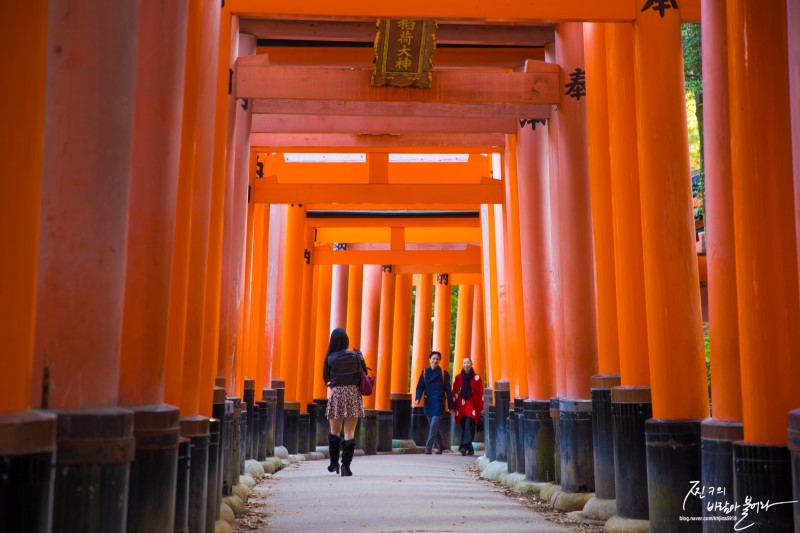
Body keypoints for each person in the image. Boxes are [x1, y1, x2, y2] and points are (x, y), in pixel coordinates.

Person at [322, 327, 366, 476]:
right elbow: (364, 374)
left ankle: (334, 463)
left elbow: (326, 377)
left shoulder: (330, 358)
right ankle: (346, 466)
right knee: (350, 431)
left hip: (337, 394)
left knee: (334, 431)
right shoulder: (356, 355)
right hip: (353, 394)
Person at [414, 351, 455, 454]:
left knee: (434, 424)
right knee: (433, 426)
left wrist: (451, 406)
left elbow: (448, 391)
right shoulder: (424, 373)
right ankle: (441, 445)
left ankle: (428, 447)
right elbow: (420, 387)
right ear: (430, 360)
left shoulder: (443, 373)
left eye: (437, 359)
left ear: (439, 361)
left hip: (439, 403)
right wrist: (418, 398)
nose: (435, 360)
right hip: (428, 402)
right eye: (433, 358)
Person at [451, 357, 484, 456]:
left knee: (469, 424)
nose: (466, 365)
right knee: (464, 426)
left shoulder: (476, 378)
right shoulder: (458, 377)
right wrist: (452, 404)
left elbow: (480, 392)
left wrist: (481, 407)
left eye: (468, 362)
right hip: (461, 404)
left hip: (472, 404)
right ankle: (470, 448)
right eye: (464, 363)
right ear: (462, 364)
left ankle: (463, 446)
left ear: (471, 364)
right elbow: (454, 391)